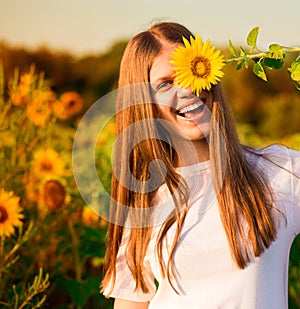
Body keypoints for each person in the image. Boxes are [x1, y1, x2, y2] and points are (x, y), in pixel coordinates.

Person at [100, 22, 300, 308]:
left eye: (191, 71)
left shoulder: (278, 174)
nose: (186, 89)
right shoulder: (144, 198)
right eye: (166, 83)